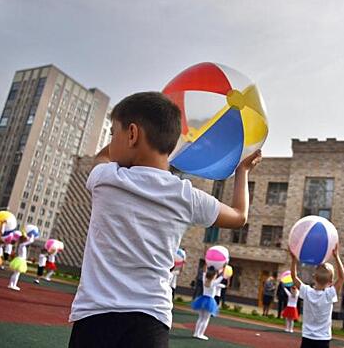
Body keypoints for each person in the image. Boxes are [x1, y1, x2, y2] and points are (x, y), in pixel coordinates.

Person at [68, 92, 262, 348]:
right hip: (151, 320)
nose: (111, 141)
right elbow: (240, 216)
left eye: (113, 133)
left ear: (133, 134)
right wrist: (242, 171)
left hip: (95, 317)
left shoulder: (106, 179)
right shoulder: (186, 196)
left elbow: (102, 158)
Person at [291, 244, 344, 348]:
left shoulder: (306, 291)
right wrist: (337, 256)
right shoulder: (329, 294)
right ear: (330, 281)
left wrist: (294, 259)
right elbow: (342, 277)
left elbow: (294, 276)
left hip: (307, 337)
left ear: (314, 277)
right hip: (323, 338)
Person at [191, 266, 224, 340]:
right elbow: (222, 276)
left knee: (200, 318)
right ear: (213, 276)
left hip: (202, 300)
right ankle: (200, 334)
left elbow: (204, 272)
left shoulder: (204, 280)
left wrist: (206, 263)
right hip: (209, 301)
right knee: (206, 319)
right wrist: (225, 266)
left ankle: (196, 333)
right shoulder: (214, 282)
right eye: (215, 275)